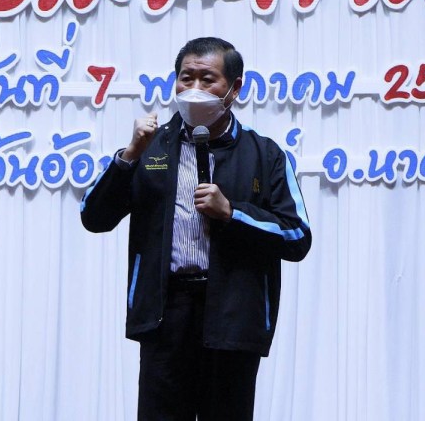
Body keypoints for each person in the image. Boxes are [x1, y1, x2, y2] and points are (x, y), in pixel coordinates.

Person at [80, 37, 312, 420]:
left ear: (234, 88)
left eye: (208, 79)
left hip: (233, 315)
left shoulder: (265, 154)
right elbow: (94, 217)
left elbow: (297, 236)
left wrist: (232, 213)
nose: (195, 89)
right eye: (186, 78)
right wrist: (129, 156)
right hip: (165, 312)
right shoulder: (150, 148)